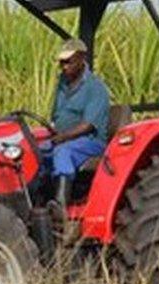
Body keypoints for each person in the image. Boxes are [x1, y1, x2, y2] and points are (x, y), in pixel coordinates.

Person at [43, 39, 110, 206]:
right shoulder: (62, 85)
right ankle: (37, 201)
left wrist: (63, 137)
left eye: (68, 62)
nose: (64, 67)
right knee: (34, 152)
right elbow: (56, 116)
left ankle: (61, 206)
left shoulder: (95, 87)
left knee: (63, 152)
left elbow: (88, 125)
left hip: (91, 142)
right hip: (64, 138)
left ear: (81, 59)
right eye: (62, 63)